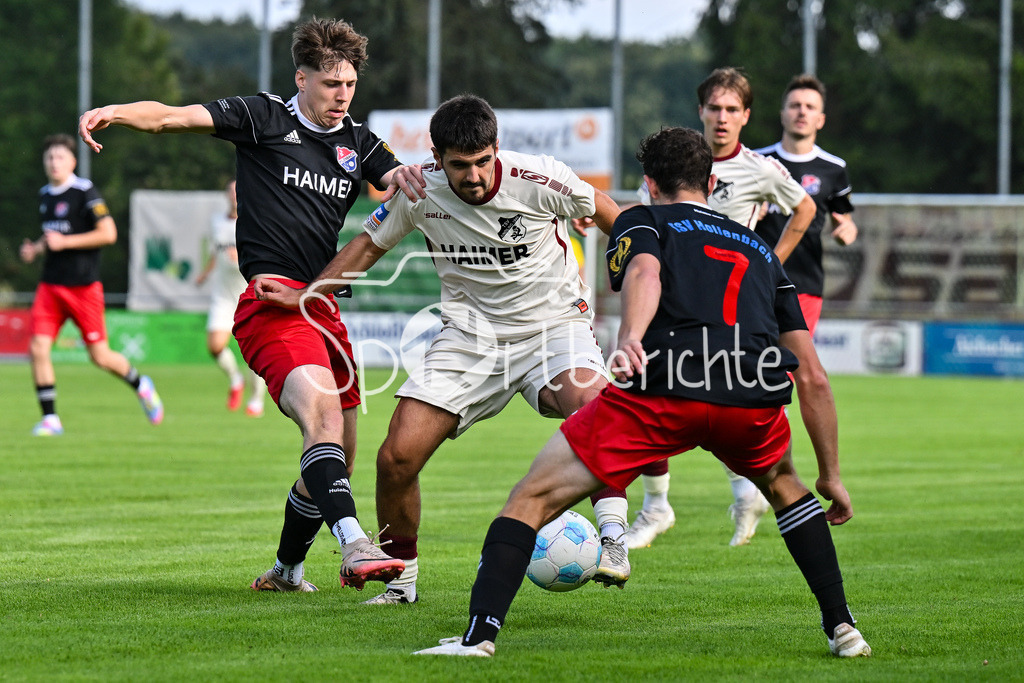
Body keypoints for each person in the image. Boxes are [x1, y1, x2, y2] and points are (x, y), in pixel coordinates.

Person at [413, 126, 871, 659]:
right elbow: (812, 375)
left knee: (530, 498)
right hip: (748, 396)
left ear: (649, 183)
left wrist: (630, 335)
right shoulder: (763, 253)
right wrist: (832, 475)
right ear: (712, 180)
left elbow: (647, 271)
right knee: (786, 485)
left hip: (664, 390)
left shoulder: (642, 219)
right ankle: (844, 629)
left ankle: (478, 638)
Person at [79, 17, 427, 593]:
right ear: (302, 78)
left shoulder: (358, 143)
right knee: (320, 422)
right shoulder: (262, 116)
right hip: (269, 305)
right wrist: (114, 110)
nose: (341, 96)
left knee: (333, 451)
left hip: (322, 311)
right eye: (329, 84)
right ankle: (355, 545)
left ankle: (288, 571)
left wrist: (424, 176)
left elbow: (403, 182)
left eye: (349, 85)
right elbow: (172, 116)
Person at [257, 94, 629, 605]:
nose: (473, 176)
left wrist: (656, 271)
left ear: (496, 148)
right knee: (395, 458)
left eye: (482, 162)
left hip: (553, 328)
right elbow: (365, 248)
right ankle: (401, 583)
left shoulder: (543, 177)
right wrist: (306, 294)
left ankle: (613, 537)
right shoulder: (418, 191)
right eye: (459, 166)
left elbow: (620, 222)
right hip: (469, 339)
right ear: (437, 159)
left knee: (593, 407)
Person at [623, 67, 817, 550]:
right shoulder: (678, 164)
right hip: (672, 299)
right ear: (701, 112)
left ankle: (744, 491)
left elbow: (806, 209)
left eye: (733, 109)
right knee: (643, 383)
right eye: (715, 108)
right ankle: (656, 506)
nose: (723, 117)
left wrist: (771, 265)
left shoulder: (760, 168)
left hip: (728, 307)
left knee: (728, 396)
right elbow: (641, 216)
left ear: (747, 116)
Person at [20, 134, 164, 436]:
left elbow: (108, 233)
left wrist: (65, 242)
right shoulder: (45, 194)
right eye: (49, 157)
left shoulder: (84, 191)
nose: (54, 162)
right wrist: (35, 249)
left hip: (83, 287)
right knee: (38, 347)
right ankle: (50, 419)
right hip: (50, 286)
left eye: (60, 157)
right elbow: (53, 238)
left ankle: (141, 384)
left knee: (100, 357)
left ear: (72, 161)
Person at [754, 74, 858, 336]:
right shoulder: (756, 162)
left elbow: (844, 220)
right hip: (754, 279)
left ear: (820, 119)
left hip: (804, 284)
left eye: (810, 107)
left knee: (788, 364)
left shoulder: (834, 169)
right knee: (751, 360)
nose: (802, 111)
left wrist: (847, 232)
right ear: (782, 114)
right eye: (794, 105)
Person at [194, 179, 267, 417]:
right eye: (231, 192)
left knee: (254, 353)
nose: (235, 196)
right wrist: (204, 274)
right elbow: (216, 253)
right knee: (215, 346)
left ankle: (256, 399)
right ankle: (236, 380)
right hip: (223, 295)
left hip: (249, 293)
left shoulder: (254, 220)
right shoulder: (217, 222)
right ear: (227, 196)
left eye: (239, 191)